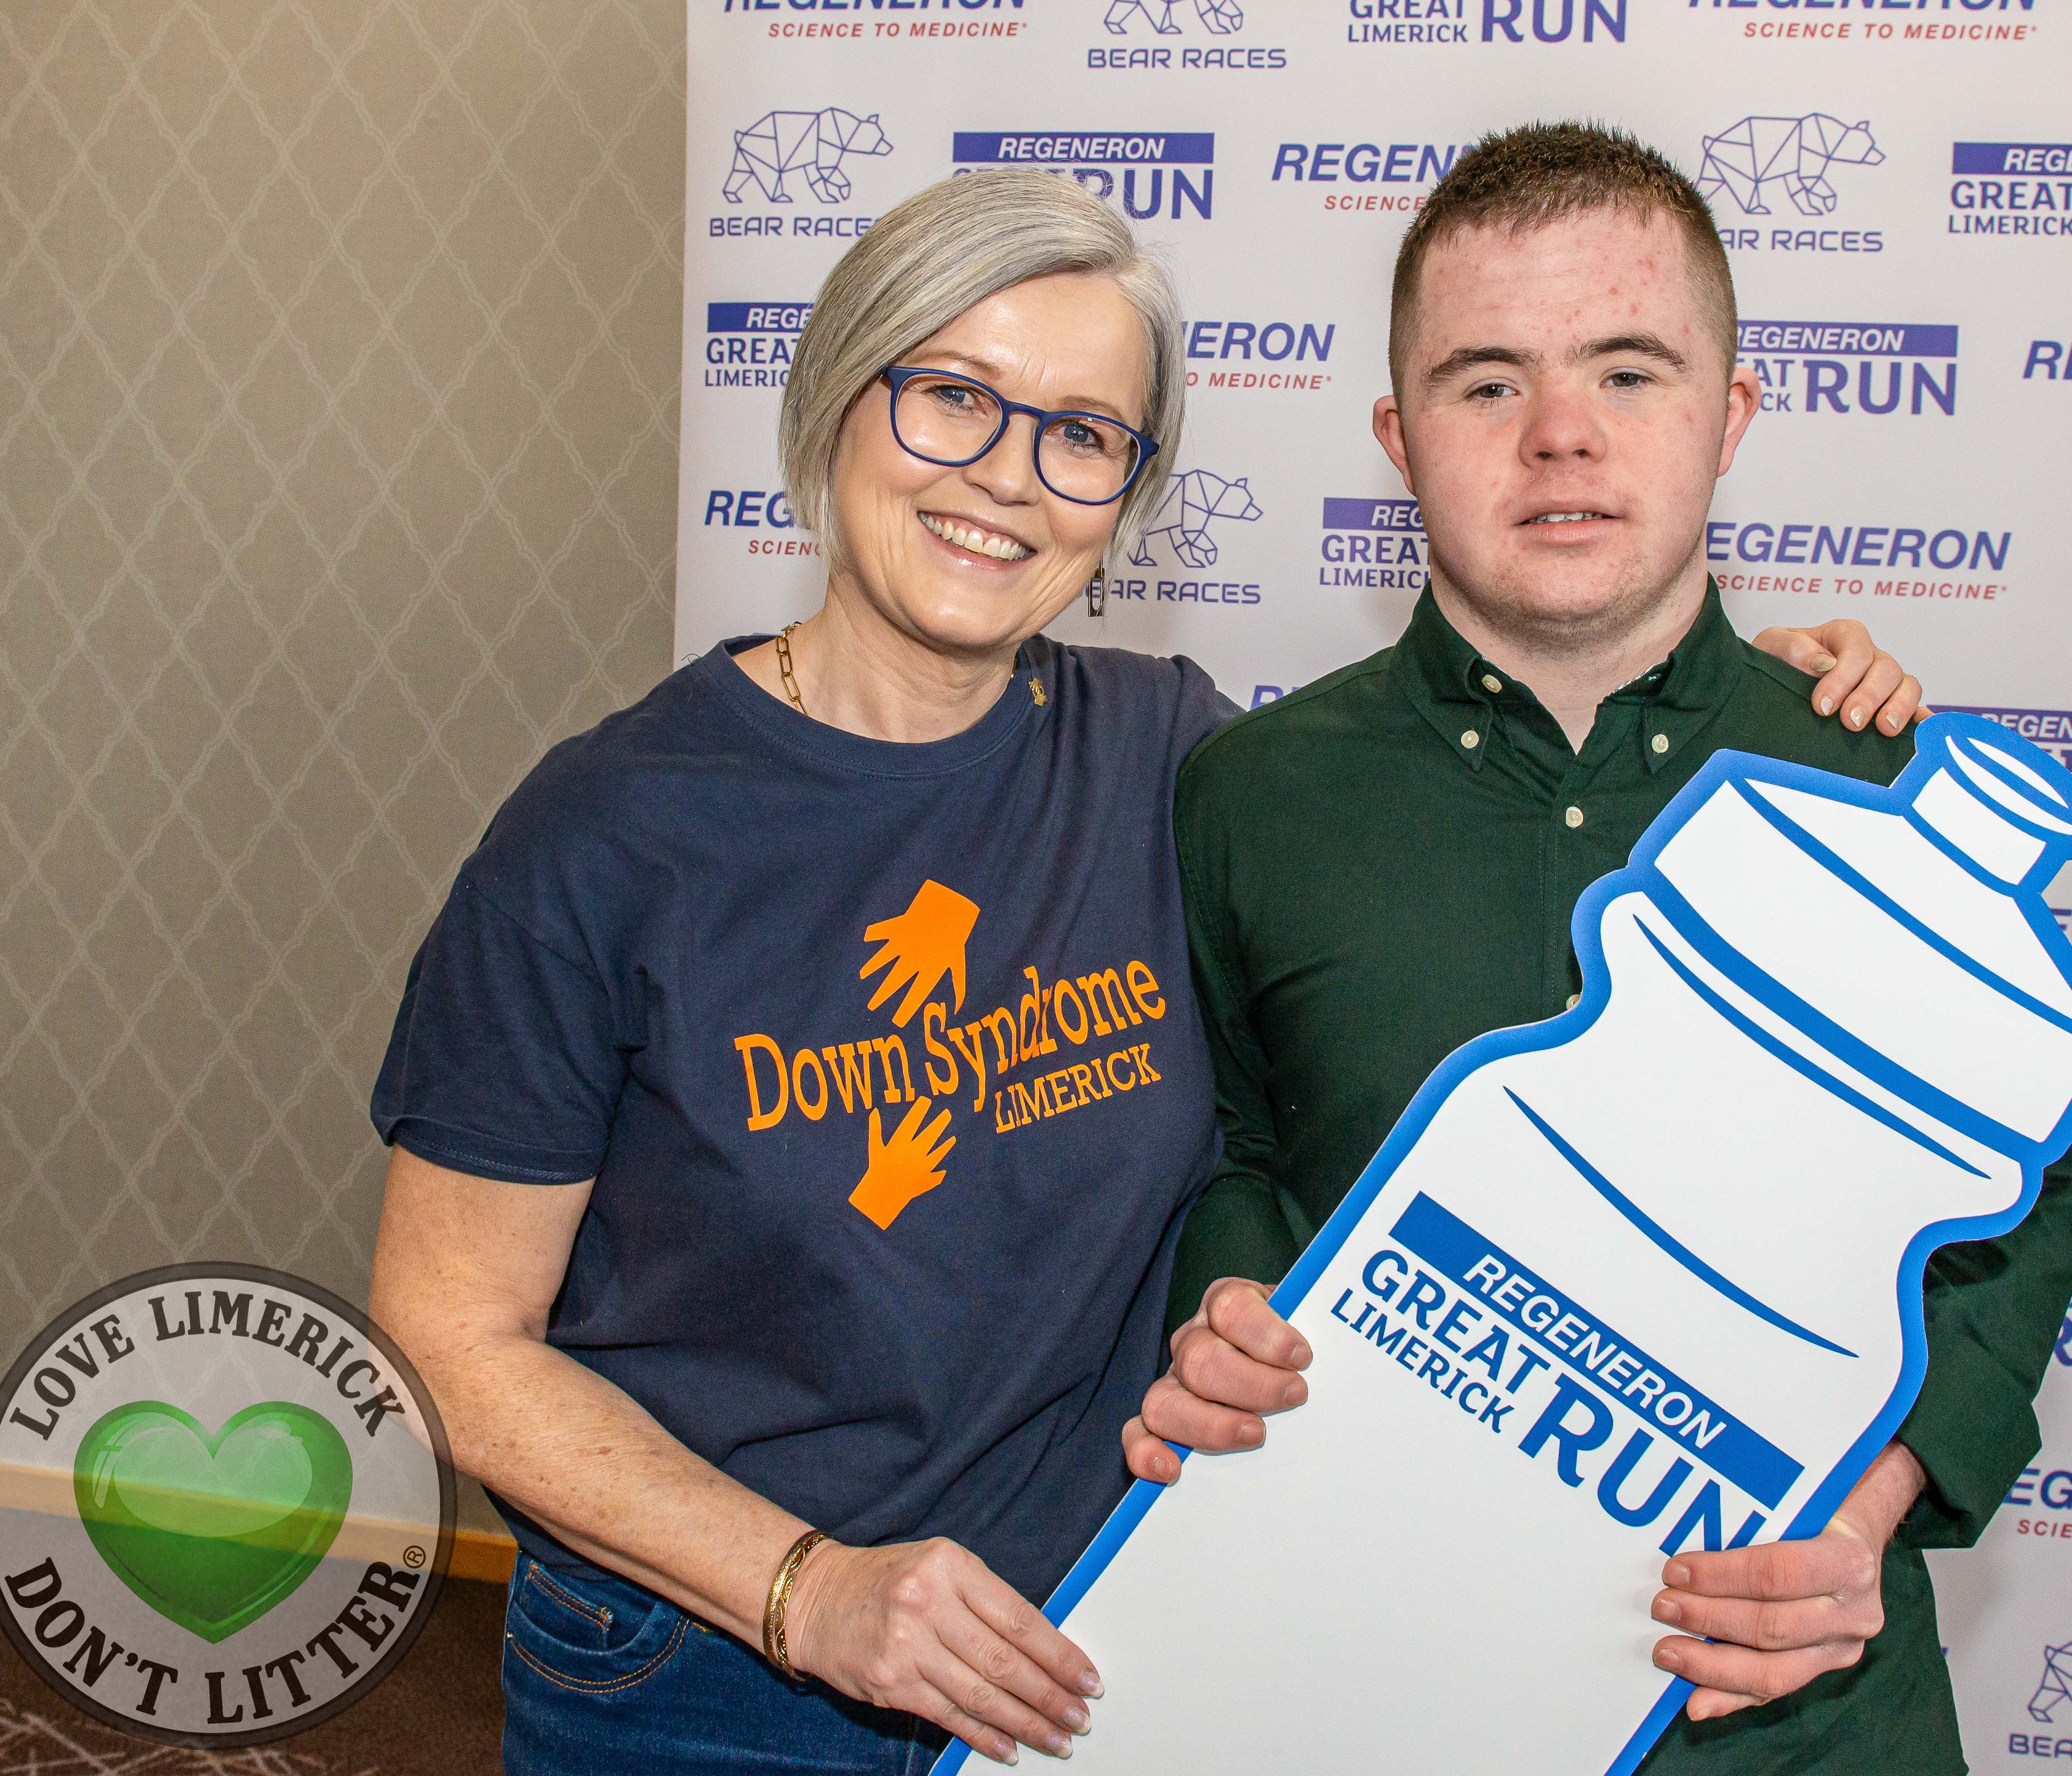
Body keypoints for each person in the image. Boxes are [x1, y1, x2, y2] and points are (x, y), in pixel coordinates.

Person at [365, 164, 1921, 1773]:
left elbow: (1436, 923)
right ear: (836, 399)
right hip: (716, 1676)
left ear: (1124, 495)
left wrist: (1746, 701)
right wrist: (806, 1590)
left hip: (1103, 1657)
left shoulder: (1171, 761)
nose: (1009, 477)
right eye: (952, 397)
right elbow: (451, 1340)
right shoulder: (605, 835)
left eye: (1084, 434)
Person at [1126, 123, 2072, 1776]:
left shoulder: (1878, 785)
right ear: (1398, 436)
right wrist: (1224, 1298)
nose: (1560, 434)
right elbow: (1229, 1144)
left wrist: (1866, 1512)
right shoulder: (1248, 790)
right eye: (1487, 382)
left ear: (1732, 416)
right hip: (1373, 1679)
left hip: (1795, 1719)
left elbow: (2021, 1203)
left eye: (1629, 373)